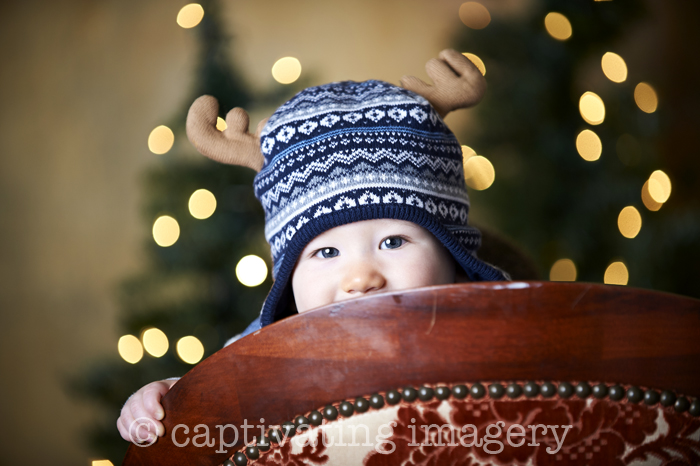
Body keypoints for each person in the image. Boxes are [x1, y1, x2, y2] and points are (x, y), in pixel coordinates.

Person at [117, 50, 509, 444]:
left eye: (393, 241)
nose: (361, 278)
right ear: (289, 276)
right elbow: (215, 396)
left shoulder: (497, 327)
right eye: (326, 252)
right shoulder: (266, 352)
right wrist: (173, 395)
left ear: (453, 255)